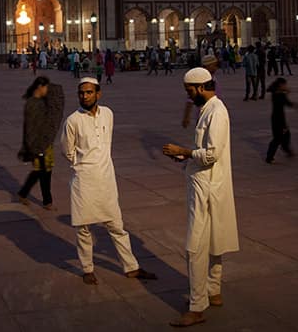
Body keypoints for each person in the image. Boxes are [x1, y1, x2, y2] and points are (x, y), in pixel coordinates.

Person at [57, 78, 157, 285]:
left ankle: (131, 267)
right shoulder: (73, 120)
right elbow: (67, 150)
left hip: (106, 179)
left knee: (116, 225)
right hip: (83, 180)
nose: (85, 96)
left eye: (89, 92)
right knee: (83, 228)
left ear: (98, 94)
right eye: (81, 93)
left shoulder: (108, 114)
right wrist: (82, 164)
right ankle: (87, 268)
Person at [162, 68, 239, 328]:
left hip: (206, 188)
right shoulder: (208, 109)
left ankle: (197, 307)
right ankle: (213, 291)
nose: (188, 96)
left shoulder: (216, 112)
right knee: (215, 239)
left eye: (189, 91)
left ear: (201, 87)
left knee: (194, 247)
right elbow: (203, 152)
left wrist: (183, 149)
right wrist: (185, 156)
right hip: (207, 184)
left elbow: (211, 154)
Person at [17, 77, 64, 209]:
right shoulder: (32, 103)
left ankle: (24, 193)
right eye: (46, 88)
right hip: (36, 143)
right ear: (40, 86)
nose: (47, 91)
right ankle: (47, 201)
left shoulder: (41, 102)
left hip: (43, 142)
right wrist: (32, 146)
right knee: (42, 171)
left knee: (43, 170)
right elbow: (30, 127)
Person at [265, 77, 298, 163]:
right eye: (284, 85)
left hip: (276, 118)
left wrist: (285, 92)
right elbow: (287, 102)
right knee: (277, 138)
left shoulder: (275, 92)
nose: (286, 86)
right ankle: (269, 157)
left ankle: (287, 150)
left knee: (286, 135)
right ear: (280, 85)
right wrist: (294, 104)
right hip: (279, 119)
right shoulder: (280, 95)